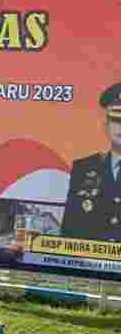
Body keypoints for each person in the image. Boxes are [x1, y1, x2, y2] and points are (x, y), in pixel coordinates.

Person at [62, 83, 121, 243]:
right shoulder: (83, 169)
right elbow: (69, 229)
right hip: (88, 263)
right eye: (116, 118)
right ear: (106, 126)